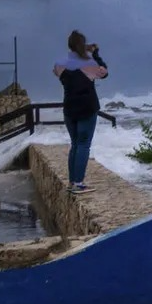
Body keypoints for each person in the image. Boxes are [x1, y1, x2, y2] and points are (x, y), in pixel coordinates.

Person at [53, 30, 108, 194]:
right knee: (84, 145)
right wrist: (95, 53)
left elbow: (56, 73)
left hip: (69, 108)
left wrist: (82, 51)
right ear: (82, 45)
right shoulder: (89, 64)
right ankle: (78, 183)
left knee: (75, 144)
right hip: (87, 108)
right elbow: (104, 72)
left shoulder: (59, 64)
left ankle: (72, 182)